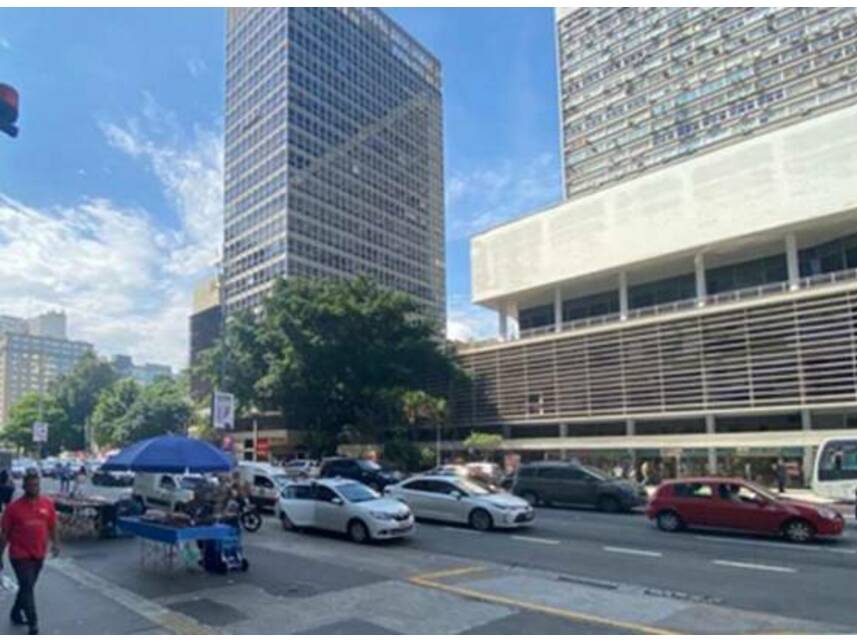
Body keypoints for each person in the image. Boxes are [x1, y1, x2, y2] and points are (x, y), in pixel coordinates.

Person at [0, 469, 59, 635]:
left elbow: (52, 526)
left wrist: (55, 544)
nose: (34, 488)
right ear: (24, 486)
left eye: (36, 485)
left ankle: (15, 612)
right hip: (19, 555)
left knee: (27, 587)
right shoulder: (13, 508)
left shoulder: (47, 504)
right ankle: (33, 623)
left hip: (38, 554)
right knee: (27, 586)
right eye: (31, 485)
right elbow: (4, 534)